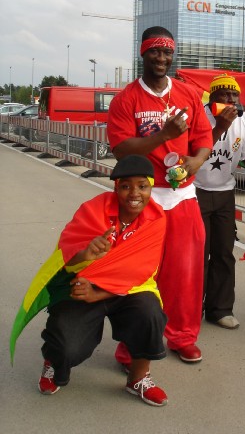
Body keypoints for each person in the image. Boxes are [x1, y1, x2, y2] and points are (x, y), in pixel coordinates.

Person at [10, 154, 169, 406]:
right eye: (126, 186)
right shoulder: (93, 210)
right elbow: (66, 261)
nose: (134, 193)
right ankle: (54, 362)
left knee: (149, 313)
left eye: (142, 185)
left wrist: (99, 292)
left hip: (126, 290)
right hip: (81, 287)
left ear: (151, 187)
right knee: (66, 343)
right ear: (116, 188)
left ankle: (138, 377)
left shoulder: (157, 219)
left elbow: (141, 271)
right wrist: (86, 254)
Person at [107, 26, 212, 363]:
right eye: (155, 51)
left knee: (186, 271)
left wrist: (196, 161)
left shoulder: (188, 94)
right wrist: (163, 134)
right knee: (138, 272)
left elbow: (203, 139)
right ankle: (132, 345)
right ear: (143, 53)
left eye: (167, 52)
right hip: (142, 199)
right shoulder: (127, 99)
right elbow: (122, 149)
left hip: (182, 196)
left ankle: (182, 337)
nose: (162, 58)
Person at [195, 73, 245, 330]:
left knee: (224, 253)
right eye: (223, 95)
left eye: (234, 95)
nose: (230, 99)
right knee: (197, 254)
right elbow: (194, 152)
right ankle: (192, 308)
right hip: (195, 190)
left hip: (225, 192)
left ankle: (220, 309)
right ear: (211, 97)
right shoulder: (198, 115)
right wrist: (220, 127)